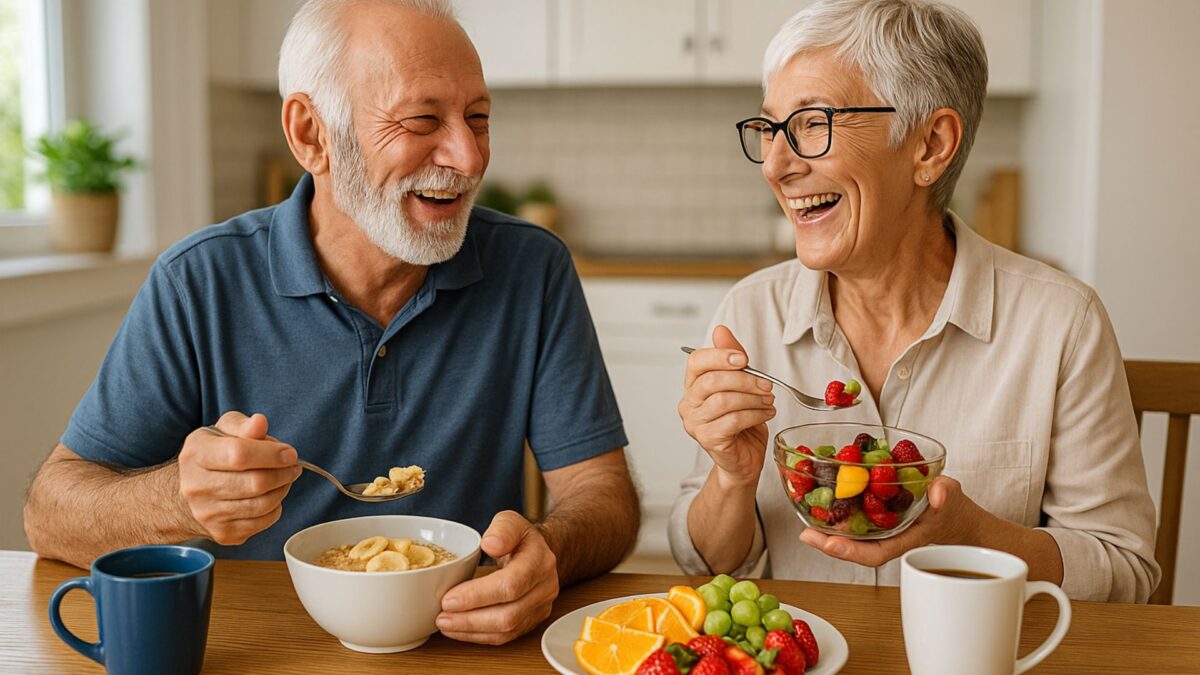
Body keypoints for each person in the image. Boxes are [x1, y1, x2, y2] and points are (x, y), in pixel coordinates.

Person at [23, 0, 640, 644]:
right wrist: (181, 500)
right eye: (422, 119)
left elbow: (604, 495)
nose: (466, 156)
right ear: (311, 135)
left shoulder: (531, 267)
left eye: (478, 119)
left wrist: (549, 554)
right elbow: (50, 516)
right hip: (259, 647)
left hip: (461, 648)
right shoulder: (198, 282)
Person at [670, 0, 1159, 602]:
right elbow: (703, 567)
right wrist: (732, 479)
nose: (774, 164)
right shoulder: (750, 314)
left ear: (930, 145)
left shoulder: (1062, 324)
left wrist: (975, 535)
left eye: (813, 124)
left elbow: (1124, 572)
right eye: (770, 128)